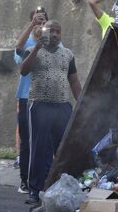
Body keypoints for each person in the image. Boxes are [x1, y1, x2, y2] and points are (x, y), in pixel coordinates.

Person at [20, 20, 82, 205]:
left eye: (58, 31)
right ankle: (34, 189)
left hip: (63, 106)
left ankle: (62, 188)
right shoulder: (32, 51)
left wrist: (81, 103)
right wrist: (37, 48)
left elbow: (74, 81)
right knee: (38, 148)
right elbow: (23, 71)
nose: (54, 34)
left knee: (63, 149)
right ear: (43, 32)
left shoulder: (68, 54)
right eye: (51, 30)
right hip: (40, 105)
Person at [13, 8, 48, 194]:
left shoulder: (52, 42)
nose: (40, 26)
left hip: (46, 99)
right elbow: (17, 50)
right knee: (26, 141)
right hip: (26, 98)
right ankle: (24, 180)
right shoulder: (27, 43)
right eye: (37, 22)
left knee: (43, 141)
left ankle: (41, 179)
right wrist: (31, 24)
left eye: (43, 22)